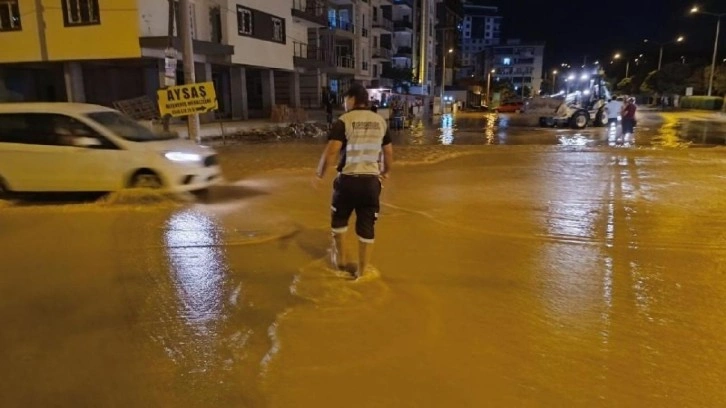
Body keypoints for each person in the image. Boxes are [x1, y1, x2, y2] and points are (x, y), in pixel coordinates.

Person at [314, 83, 393, 279]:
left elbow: (332, 150)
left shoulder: (344, 120)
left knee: (339, 220)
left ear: (351, 100)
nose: (344, 105)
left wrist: (320, 174)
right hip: (371, 184)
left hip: (348, 182)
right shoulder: (380, 121)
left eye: (345, 101)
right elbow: (388, 152)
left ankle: (341, 262)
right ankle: (362, 272)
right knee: (366, 226)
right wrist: (385, 171)